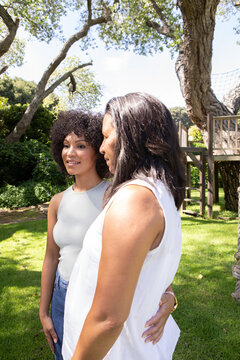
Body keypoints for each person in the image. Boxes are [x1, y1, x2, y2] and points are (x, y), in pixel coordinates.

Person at [39, 109, 177, 360]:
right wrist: (44, 312)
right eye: (66, 145)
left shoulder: (119, 197)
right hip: (61, 293)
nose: (70, 153)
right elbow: (51, 257)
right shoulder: (57, 202)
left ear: (98, 150)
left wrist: (168, 293)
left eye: (81, 145)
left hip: (99, 298)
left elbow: (150, 250)